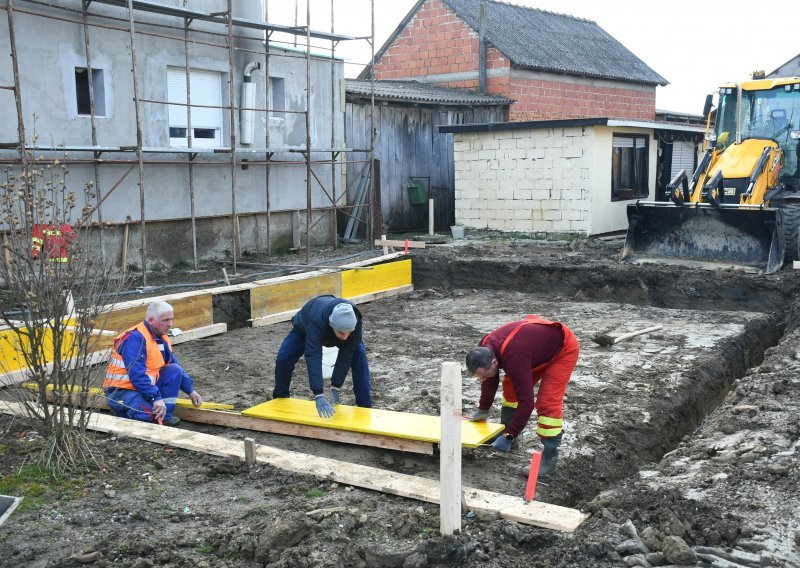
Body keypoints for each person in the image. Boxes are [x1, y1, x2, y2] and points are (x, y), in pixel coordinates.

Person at [465, 314, 579, 475]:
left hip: (561, 350)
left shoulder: (515, 357)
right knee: (511, 387)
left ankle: (550, 457)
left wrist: (510, 435)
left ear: (494, 362)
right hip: (532, 348)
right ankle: (507, 436)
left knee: (547, 402)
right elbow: (490, 379)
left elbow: (527, 403)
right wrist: (483, 410)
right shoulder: (484, 347)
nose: (482, 379)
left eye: (483, 374)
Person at [104, 300, 202, 426]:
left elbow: (173, 364)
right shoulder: (134, 338)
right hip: (121, 392)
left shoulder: (161, 337)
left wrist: (190, 391)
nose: (170, 324)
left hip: (141, 388)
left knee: (174, 369)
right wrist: (155, 398)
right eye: (165, 320)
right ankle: (123, 411)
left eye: (171, 319)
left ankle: (164, 416)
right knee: (149, 416)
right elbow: (136, 374)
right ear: (150, 320)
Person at [273, 295, 371, 418]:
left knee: (360, 356)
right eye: (342, 333)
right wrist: (319, 394)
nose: (345, 337)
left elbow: (346, 354)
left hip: (337, 328)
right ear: (332, 325)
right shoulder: (316, 321)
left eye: (348, 333)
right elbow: (313, 356)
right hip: (305, 327)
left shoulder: (355, 322)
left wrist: (336, 385)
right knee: (284, 358)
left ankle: (365, 406)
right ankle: (280, 398)